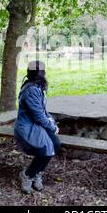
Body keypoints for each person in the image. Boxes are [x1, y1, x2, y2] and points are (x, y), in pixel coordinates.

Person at [14, 60, 61, 194]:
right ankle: (28, 175)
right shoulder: (30, 90)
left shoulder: (37, 87)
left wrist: (52, 122)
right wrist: (51, 127)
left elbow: (43, 111)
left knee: (55, 144)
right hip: (27, 127)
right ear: (41, 73)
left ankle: (37, 172)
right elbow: (38, 116)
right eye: (43, 72)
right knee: (45, 148)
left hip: (36, 124)